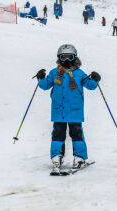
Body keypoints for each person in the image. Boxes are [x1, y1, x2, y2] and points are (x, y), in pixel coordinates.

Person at [35, 44, 100, 175]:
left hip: (75, 111)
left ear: (74, 57)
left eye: (69, 57)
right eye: (63, 57)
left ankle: (79, 158)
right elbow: (45, 85)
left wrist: (95, 79)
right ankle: (56, 159)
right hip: (59, 111)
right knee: (58, 135)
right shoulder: (54, 73)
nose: (66, 60)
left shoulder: (79, 73)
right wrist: (41, 77)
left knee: (76, 134)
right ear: (59, 58)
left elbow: (90, 85)